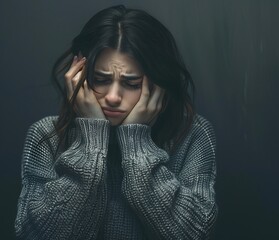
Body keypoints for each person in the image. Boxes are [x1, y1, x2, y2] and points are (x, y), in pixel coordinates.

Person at [14, 4, 217, 240]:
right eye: (100, 79)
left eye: (131, 84)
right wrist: (91, 142)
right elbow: (35, 235)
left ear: (158, 85)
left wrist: (136, 143)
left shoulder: (192, 135)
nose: (112, 97)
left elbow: (193, 234)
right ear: (80, 76)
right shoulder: (46, 136)